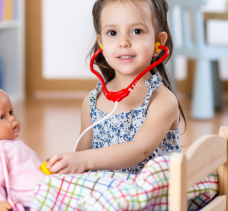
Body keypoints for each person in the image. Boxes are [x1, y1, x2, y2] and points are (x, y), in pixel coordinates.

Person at [46, 0, 186, 175]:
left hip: (151, 194)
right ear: (101, 43)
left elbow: (139, 149)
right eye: (112, 32)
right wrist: (65, 164)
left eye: (137, 31)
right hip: (106, 193)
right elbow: (81, 158)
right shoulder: (92, 102)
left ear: (158, 43)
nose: (123, 42)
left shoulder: (162, 100)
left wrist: (83, 160)